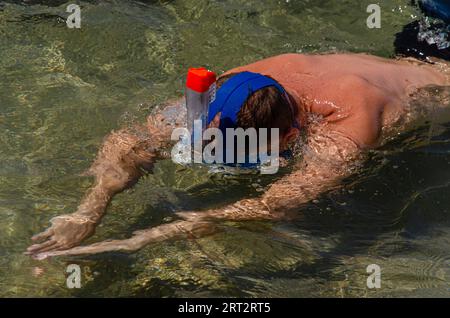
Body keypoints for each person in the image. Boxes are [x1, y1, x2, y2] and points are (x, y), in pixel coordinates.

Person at [26, 53, 449, 259]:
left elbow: (276, 205)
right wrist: (89, 209)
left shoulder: (346, 126)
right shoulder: (233, 89)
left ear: (290, 135)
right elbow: (129, 141)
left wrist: (144, 239)